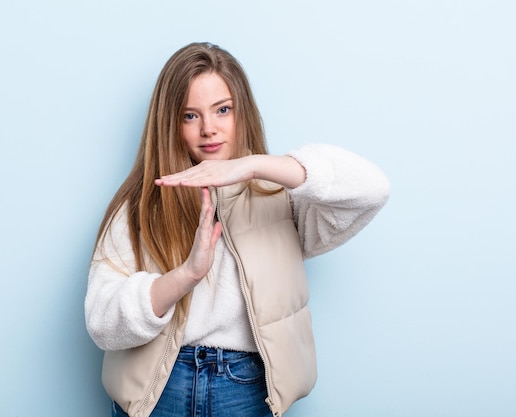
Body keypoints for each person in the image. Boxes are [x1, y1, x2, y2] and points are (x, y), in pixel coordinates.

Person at [85, 42, 390, 417]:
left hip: (245, 388)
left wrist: (253, 166)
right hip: (159, 388)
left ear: (241, 111)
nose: (209, 129)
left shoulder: (283, 198)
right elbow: (102, 323)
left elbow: (372, 188)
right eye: (189, 116)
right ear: (170, 124)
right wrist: (185, 276)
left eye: (223, 110)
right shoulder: (138, 206)